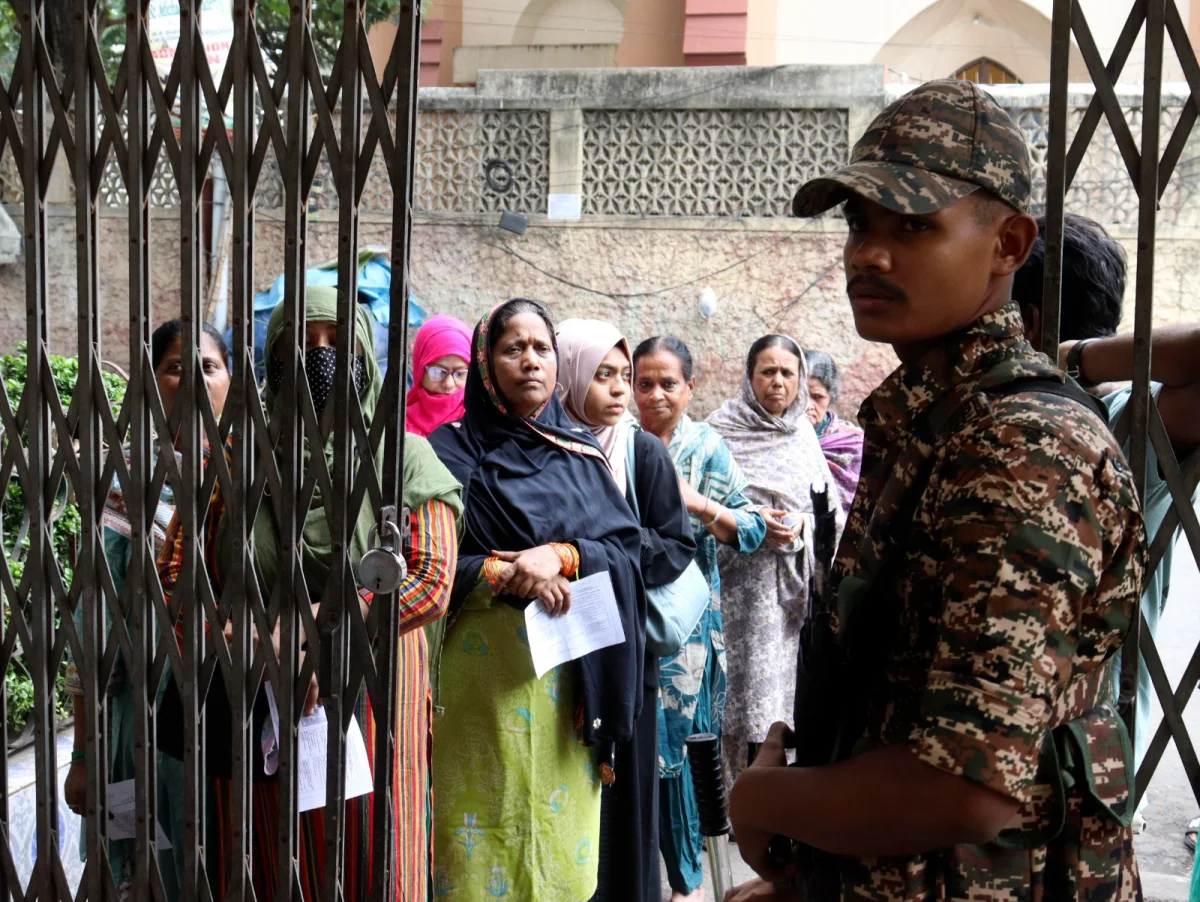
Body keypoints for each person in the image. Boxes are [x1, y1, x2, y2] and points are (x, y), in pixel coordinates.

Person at [724, 79, 1145, 901]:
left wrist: (760, 798)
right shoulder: (934, 412)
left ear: (1008, 244)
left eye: (914, 225)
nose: (867, 255)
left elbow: (965, 789)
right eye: (859, 224)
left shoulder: (1022, 446)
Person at [156, 286, 463, 902]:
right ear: (272, 361)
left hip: (376, 699)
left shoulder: (404, 458)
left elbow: (429, 579)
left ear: (363, 356)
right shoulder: (233, 465)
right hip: (258, 698)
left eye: (336, 343)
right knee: (268, 869)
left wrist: (327, 627)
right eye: (303, 344)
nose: (321, 358)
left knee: (373, 868)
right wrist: (242, 632)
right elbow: (177, 578)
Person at [428, 298, 645, 902]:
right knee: (474, 845)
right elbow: (423, 560)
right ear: (485, 363)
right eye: (511, 348)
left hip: (567, 689)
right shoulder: (446, 453)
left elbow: (628, 553)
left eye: (541, 348)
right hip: (475, 686)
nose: (530, 361)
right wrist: (504, 570)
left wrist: (565, 555)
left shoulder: (581, 455)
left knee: (555, 848)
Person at [1014, 213, 1200, 839]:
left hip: (1084, 779)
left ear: (1028, 322)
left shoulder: (1126, 420)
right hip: (979, 772)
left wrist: (1074, 359)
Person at [63, 320, 231, 900]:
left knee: (218, 868)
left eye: (208, 367)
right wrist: (85, 752)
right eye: (177, 367)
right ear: (151, 382)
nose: (193, 381)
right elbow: (94, 618)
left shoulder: (256, 476)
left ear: (232, 381)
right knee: (136, 869)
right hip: (134, 723)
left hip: (223, 714)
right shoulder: (126, 483)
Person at [554, 317, 697, 902]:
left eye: (624, 376)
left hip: (623, 645)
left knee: (624, 794)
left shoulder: (641, 453)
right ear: (571, 377)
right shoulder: (542, 448)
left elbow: (676, 547)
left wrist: (601, 552)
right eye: (603, 375)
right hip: (559, 641)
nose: (619, 390)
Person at [632, 335, 767, 902]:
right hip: (625, 622)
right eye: (644, 383)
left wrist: (698, 504)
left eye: (669, 383)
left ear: (690, 388)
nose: (656, 394)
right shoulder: (614, 442)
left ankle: (688, 885)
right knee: (633, 753)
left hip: (686, 633)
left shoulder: (704, 448)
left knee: (683, 757)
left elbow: (754, 527)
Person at [707, 335, 841, 789]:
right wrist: (750, 522)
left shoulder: (802, 434)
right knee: (734, 697)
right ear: (749, 378)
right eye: (767, 371)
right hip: (735, 591)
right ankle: (727, 801)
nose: (778, 382)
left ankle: (771, 797)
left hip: (788, 601)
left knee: (779, 702)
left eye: (787, 373)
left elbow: (833, 515)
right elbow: (700, 506)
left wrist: (801, 526)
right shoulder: (720, 431)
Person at [803, 350, 864, 516]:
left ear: (831, 397)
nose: (808, 405)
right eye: (801, 395)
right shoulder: (775, 436)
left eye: (817, 397)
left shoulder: (854, 443)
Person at [406, 313, 473, 437]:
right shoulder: (397, 424)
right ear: (420, 370)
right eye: (437, 372)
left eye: (460, 374)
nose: (448, 384)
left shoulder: (481, 422)